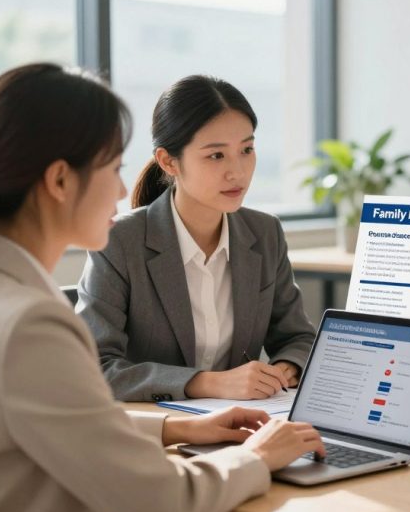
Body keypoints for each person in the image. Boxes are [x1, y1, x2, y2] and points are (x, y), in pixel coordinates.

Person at [0, 63, 325, 512]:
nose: (120, 190)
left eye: (247, 149)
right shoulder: (29, 325)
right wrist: (257, 457)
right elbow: (163, 504)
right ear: (59, 181)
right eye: (112, 168)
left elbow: (65, 425)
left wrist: (178, 427)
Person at [77, 75, 317, 402]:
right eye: (216, 155)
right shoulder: (120, 241)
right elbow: (95, 368)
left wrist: (287, 366)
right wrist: (207, 383)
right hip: (155, 429)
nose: (238, 172)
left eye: (247, 149)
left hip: (243, 423)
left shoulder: (264, 233)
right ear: (168, 161)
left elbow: (297, 337)